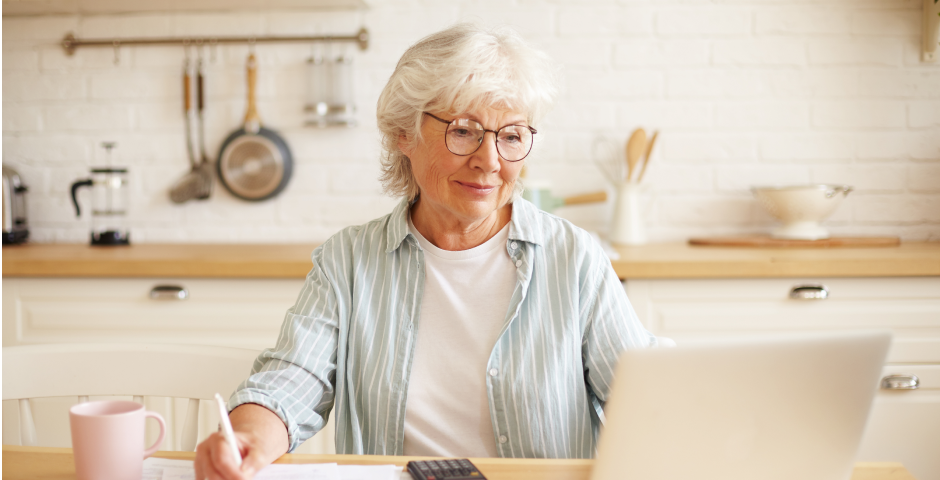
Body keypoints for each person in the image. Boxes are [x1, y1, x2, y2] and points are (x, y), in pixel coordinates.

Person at [195, 23, 656, 480]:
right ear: (403, 133)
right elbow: (293, 380)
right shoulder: (348, 261)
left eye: (511, 135)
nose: (490, 160)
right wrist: (248, 439)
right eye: (463, 131)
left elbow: (644, 399)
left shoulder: (574, 259)